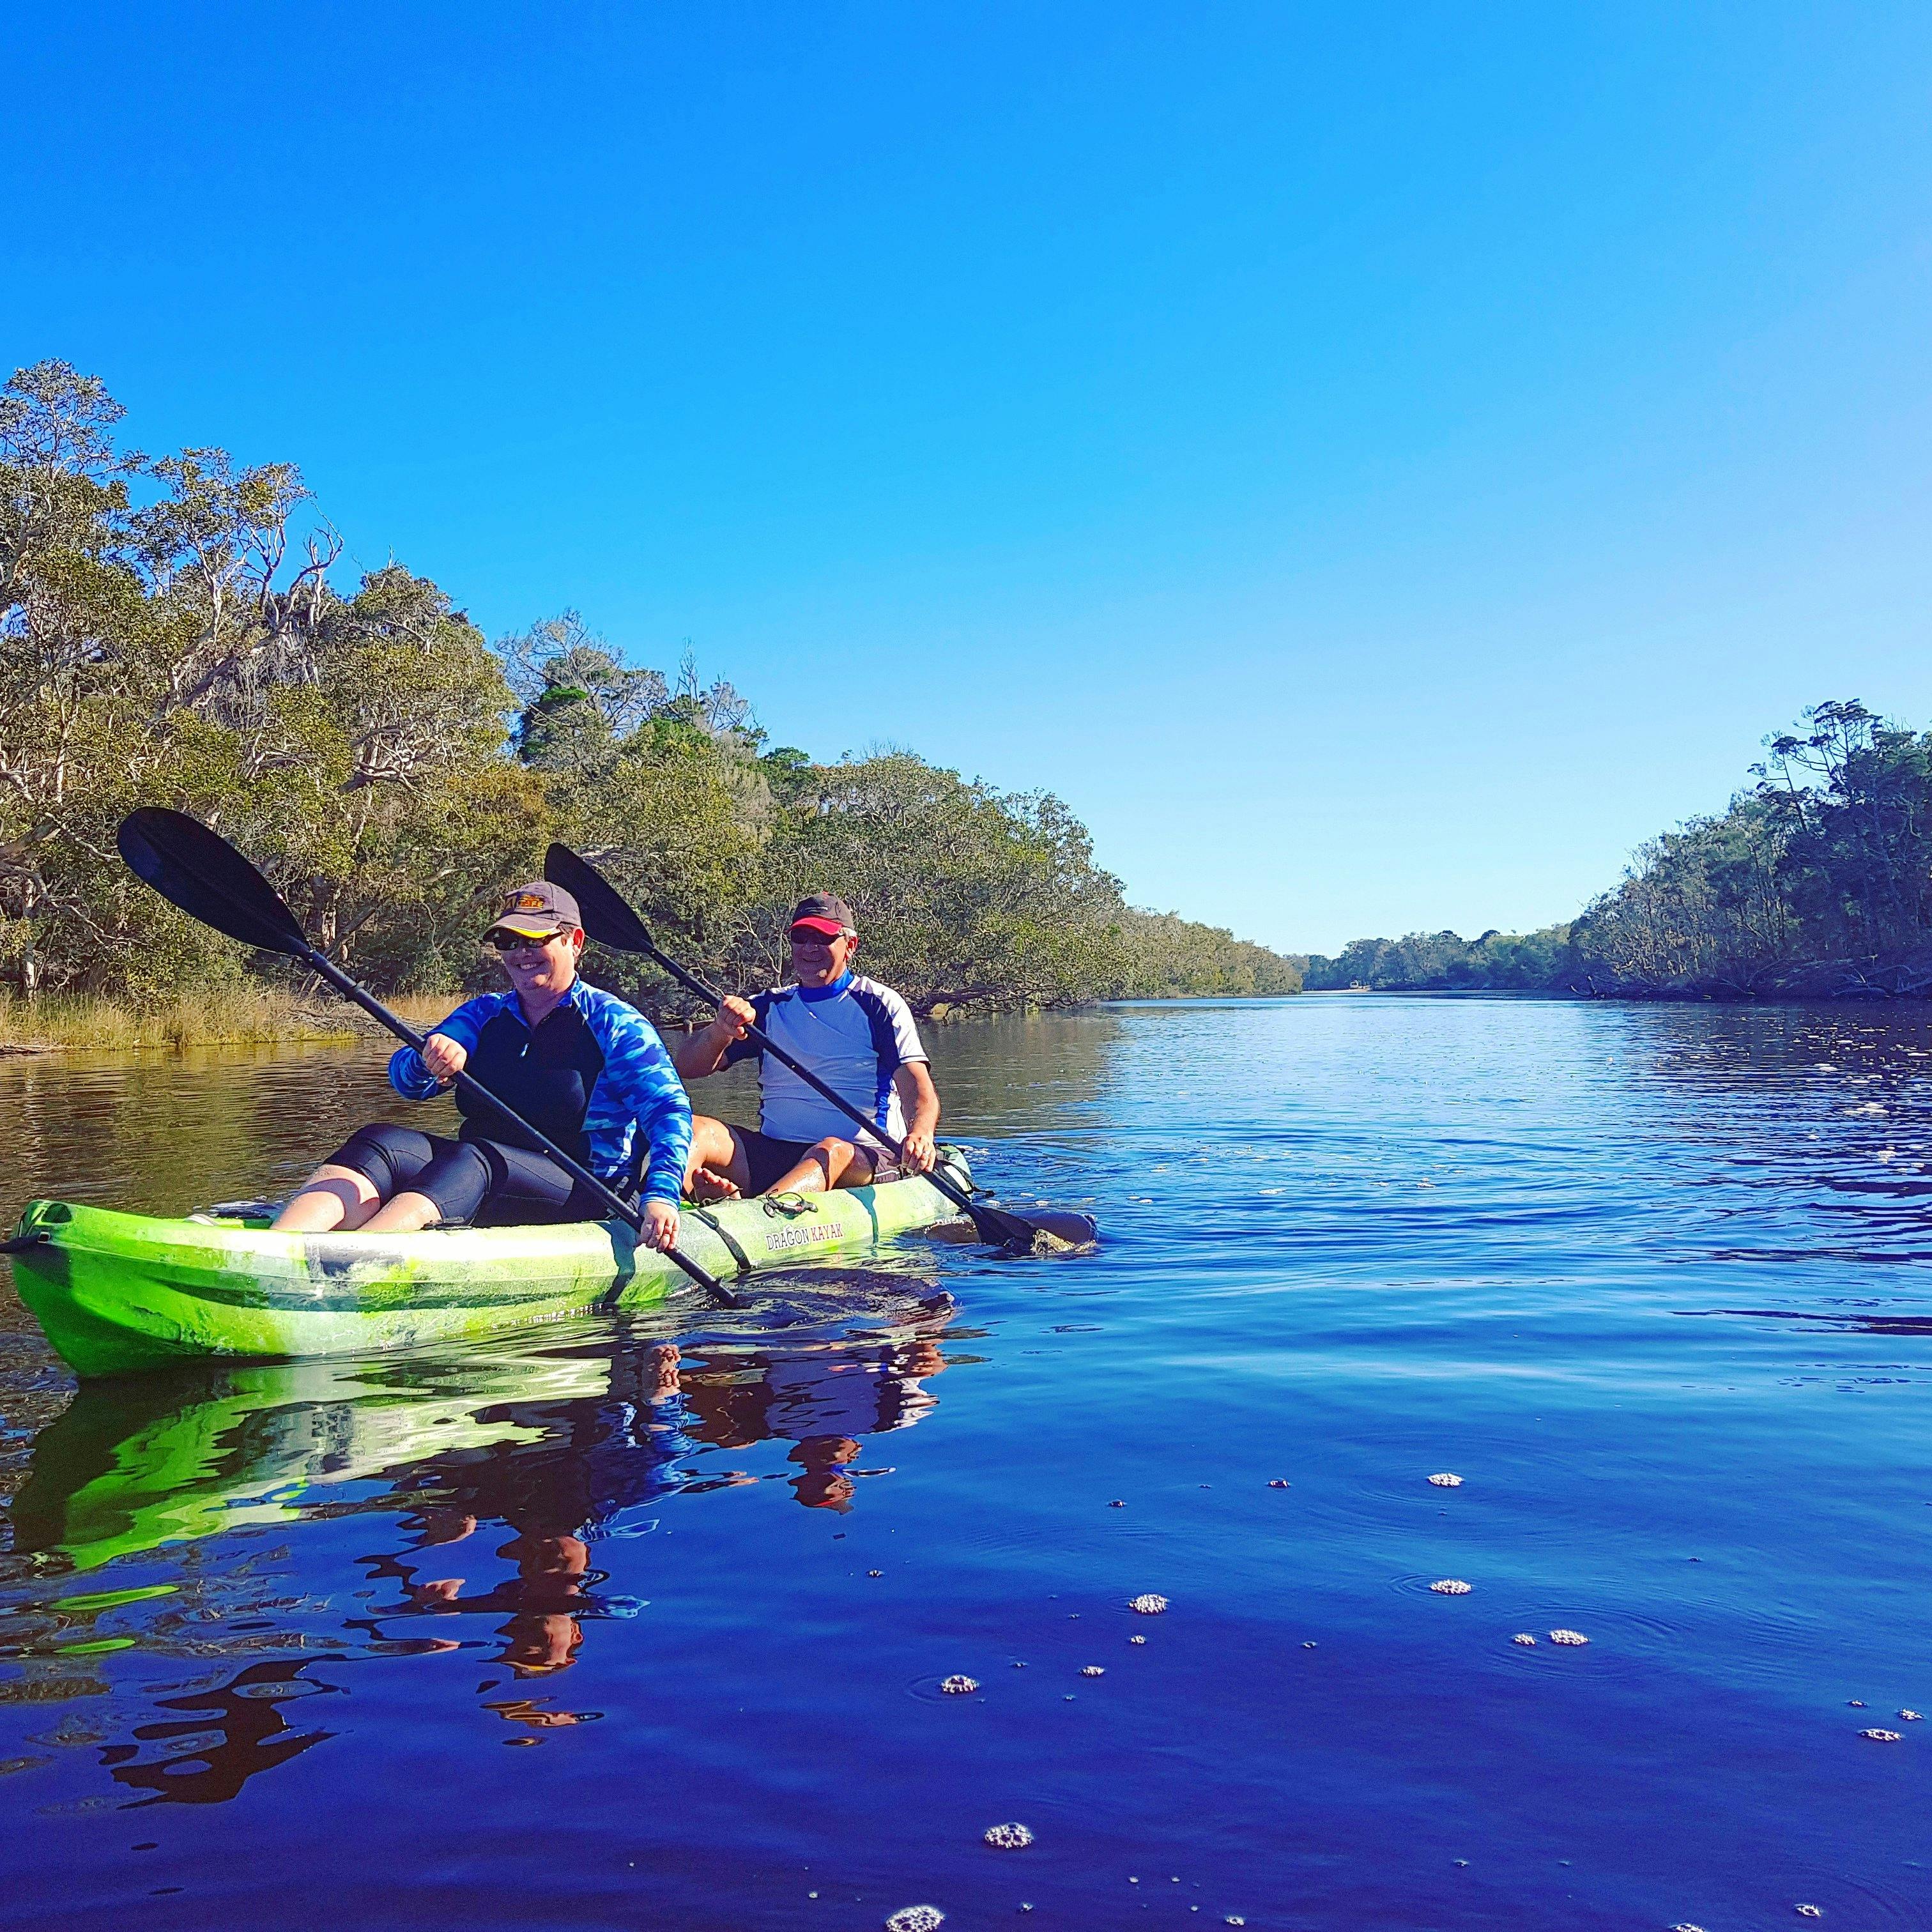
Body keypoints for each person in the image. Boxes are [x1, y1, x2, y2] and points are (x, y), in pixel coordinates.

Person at [272, 881, 689, 1248]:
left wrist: (662, 1195)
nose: (521, 953)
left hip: (590, 1188)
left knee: (476, 1158)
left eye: (535, 940)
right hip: (476, 1172)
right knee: (380, 1141)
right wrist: (427, 1062)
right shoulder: (483, 1014)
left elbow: (669, 1112)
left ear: (574, 942)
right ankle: (279, 1248)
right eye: (509, 942)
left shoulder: (615, 1023)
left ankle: (352, 1263)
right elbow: (406, 1082)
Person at [674, 892, 940, 1200]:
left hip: (859, 1156)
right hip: (775, 1150)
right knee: (692, 1128)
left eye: (823, 938)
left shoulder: (879, 1004)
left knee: (829, 1150)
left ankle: (763, 1216)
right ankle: (676, 1206)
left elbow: (917, 1090)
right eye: (801, 937)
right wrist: (720, 1031)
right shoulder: (768, 1007)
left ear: (849, 946)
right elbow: (687, 1067)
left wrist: (920, 1134)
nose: (810, 948)